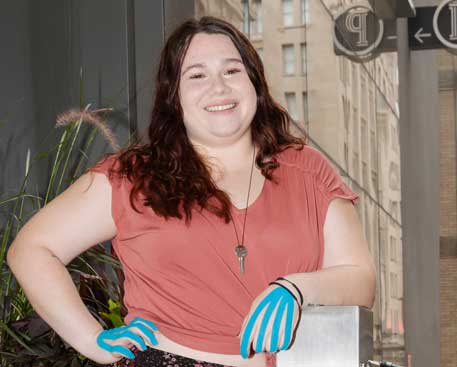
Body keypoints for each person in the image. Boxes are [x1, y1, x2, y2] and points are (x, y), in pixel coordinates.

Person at [6, 16, 376, 367]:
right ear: (174, 97)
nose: (219, 87)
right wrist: (92, 341)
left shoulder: (307, 169)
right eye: (197, 75)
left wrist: (297, 288)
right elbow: (31, 250)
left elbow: (360, 280)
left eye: (232, 70)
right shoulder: (132, 177)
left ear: (255, 84)